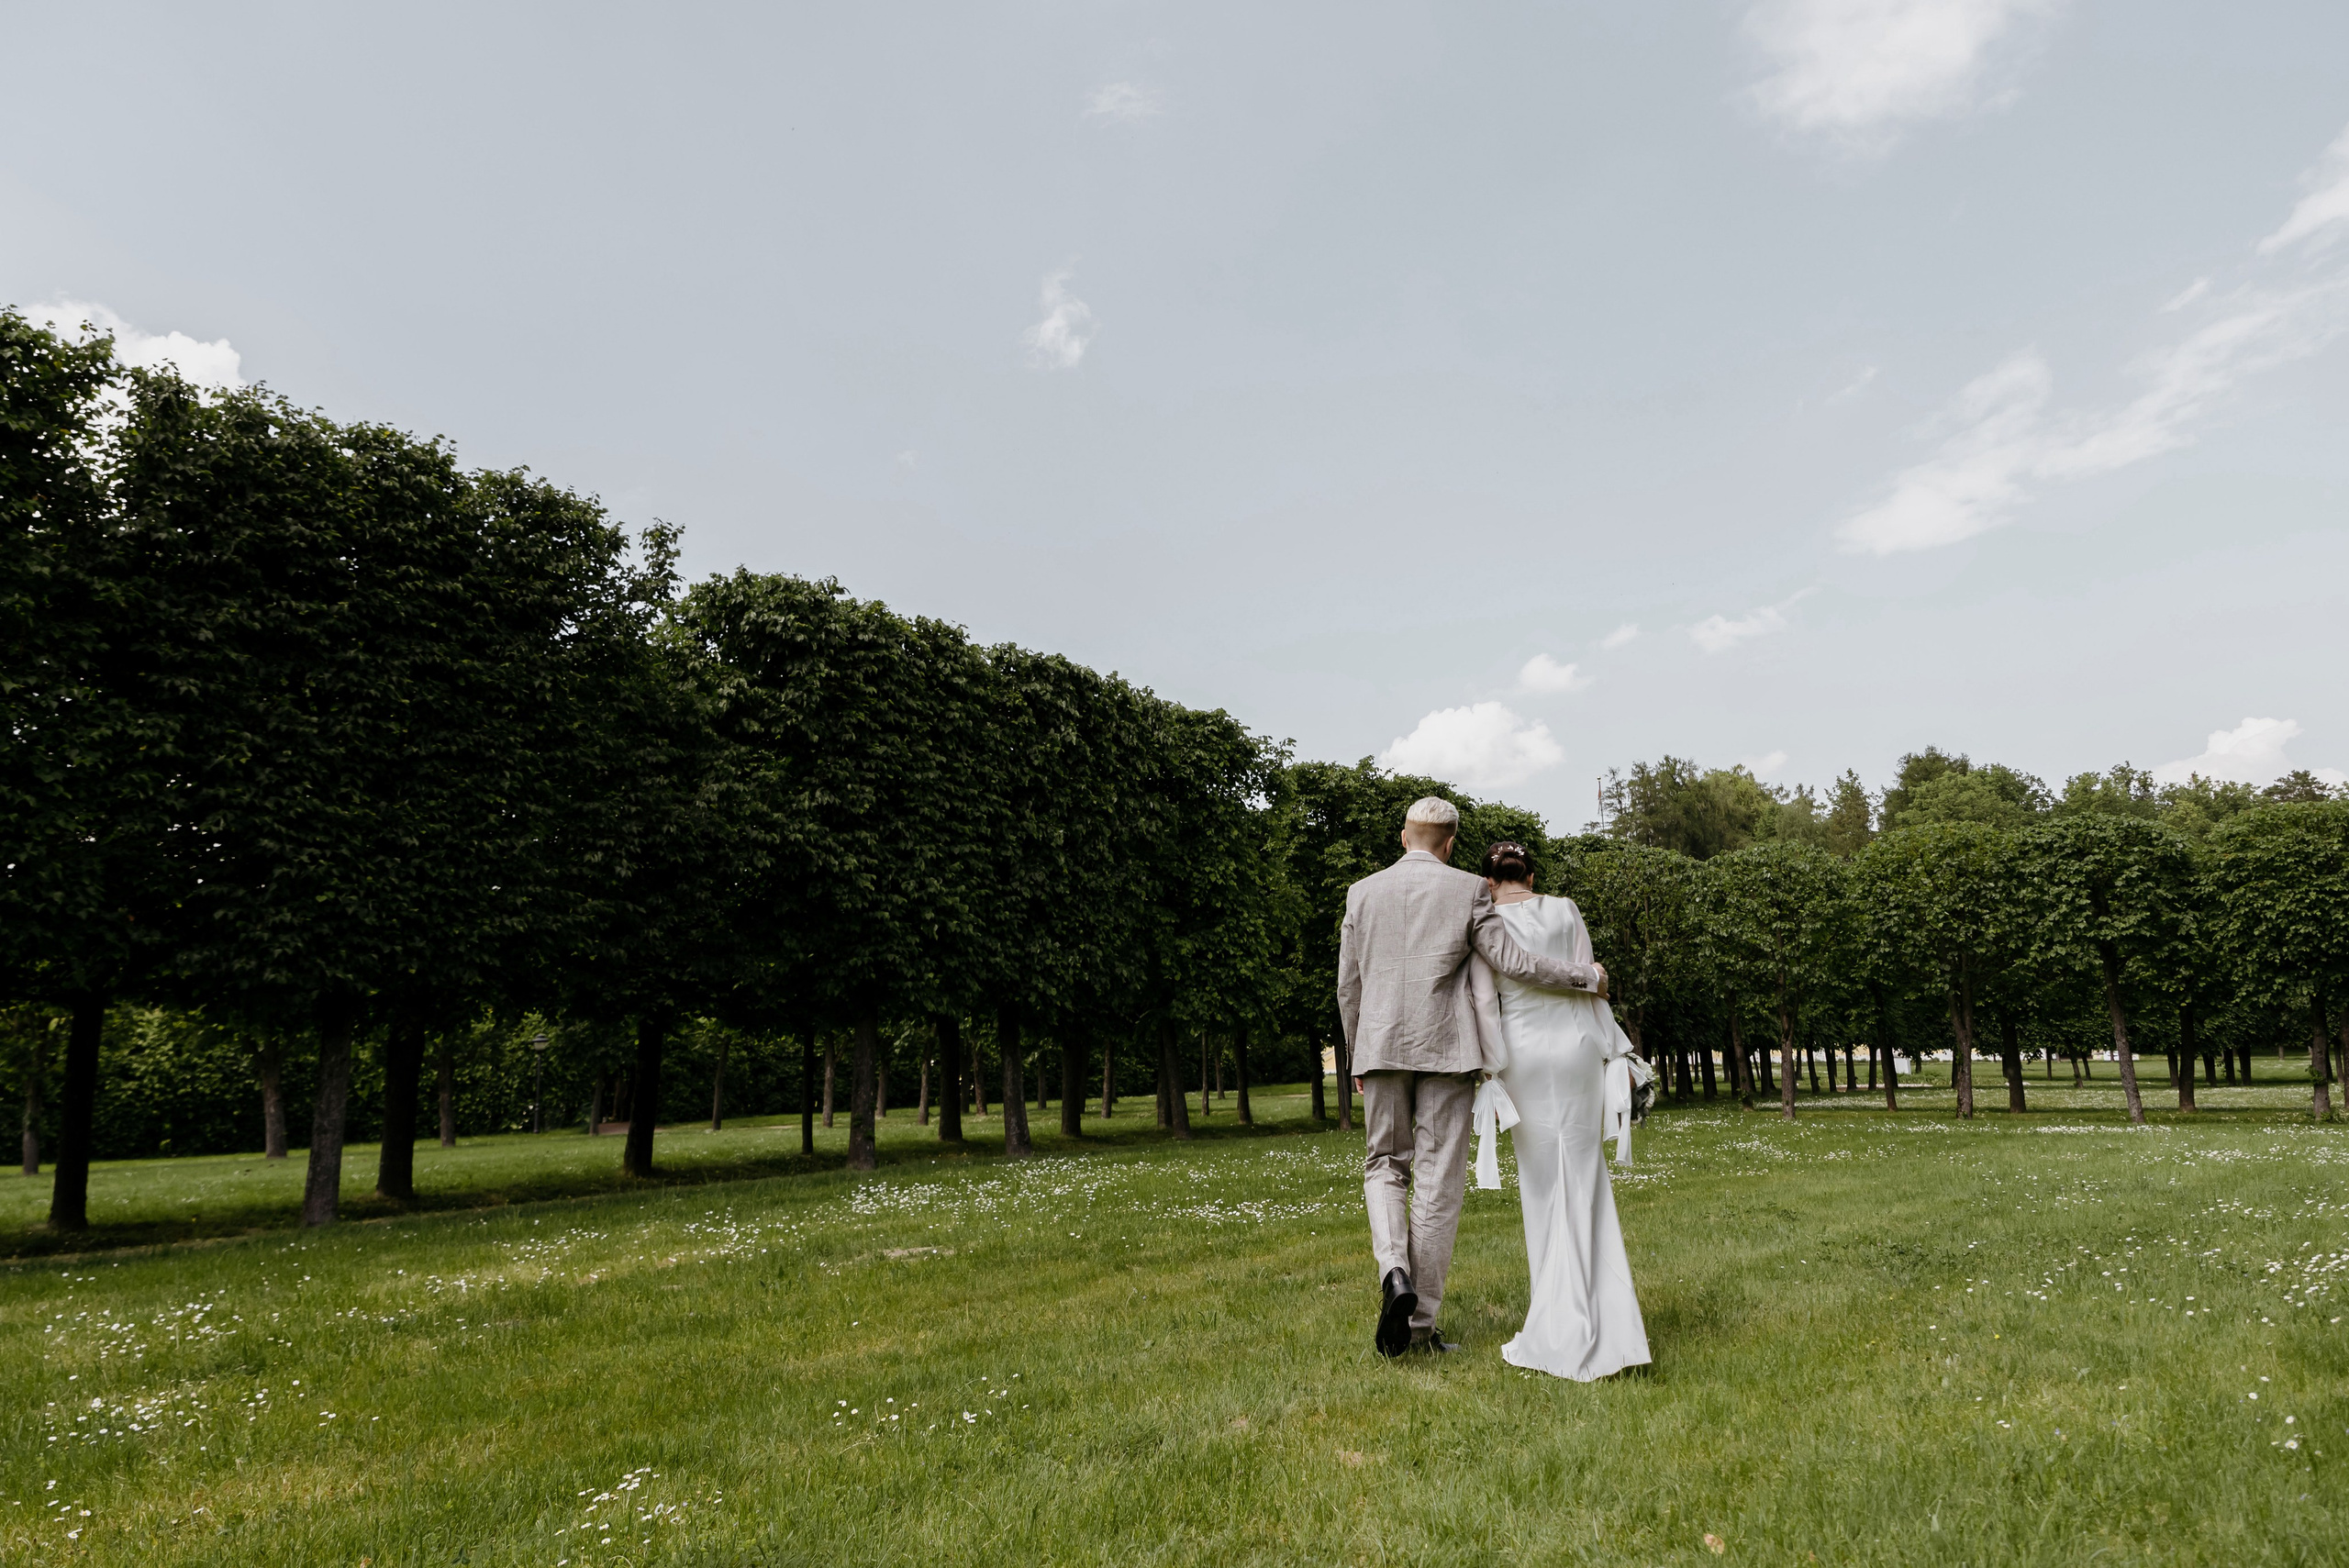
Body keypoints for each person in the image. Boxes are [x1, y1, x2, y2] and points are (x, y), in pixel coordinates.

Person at [1336, 797, 1607, 1357]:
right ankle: (1419, 1329)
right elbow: (1514, 961)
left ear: (1403, 836)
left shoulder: (1361, 893)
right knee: (1438, 1181)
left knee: (1384, 1165)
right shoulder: (1469, 889)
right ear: (1452, 843)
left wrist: (1357, 1053)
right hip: (1447, 1051)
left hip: (1380, 1046)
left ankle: (1394, 1273)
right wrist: (1586, 976)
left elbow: (1349, 983)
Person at [1470, 840, 1651, 1381]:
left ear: (1488, 880)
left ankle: (1557, 1325)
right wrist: (1610, 1052)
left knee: (1543, 1189)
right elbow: (1593, 988)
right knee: (1587, 1179)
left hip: (1523, 1055)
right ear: (1531, 874)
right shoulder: (1566, 909)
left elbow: (1483, 1002)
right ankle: (1611, 1326)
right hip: (1574, 1052)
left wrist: (1492, 1070)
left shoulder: (1484, 924)